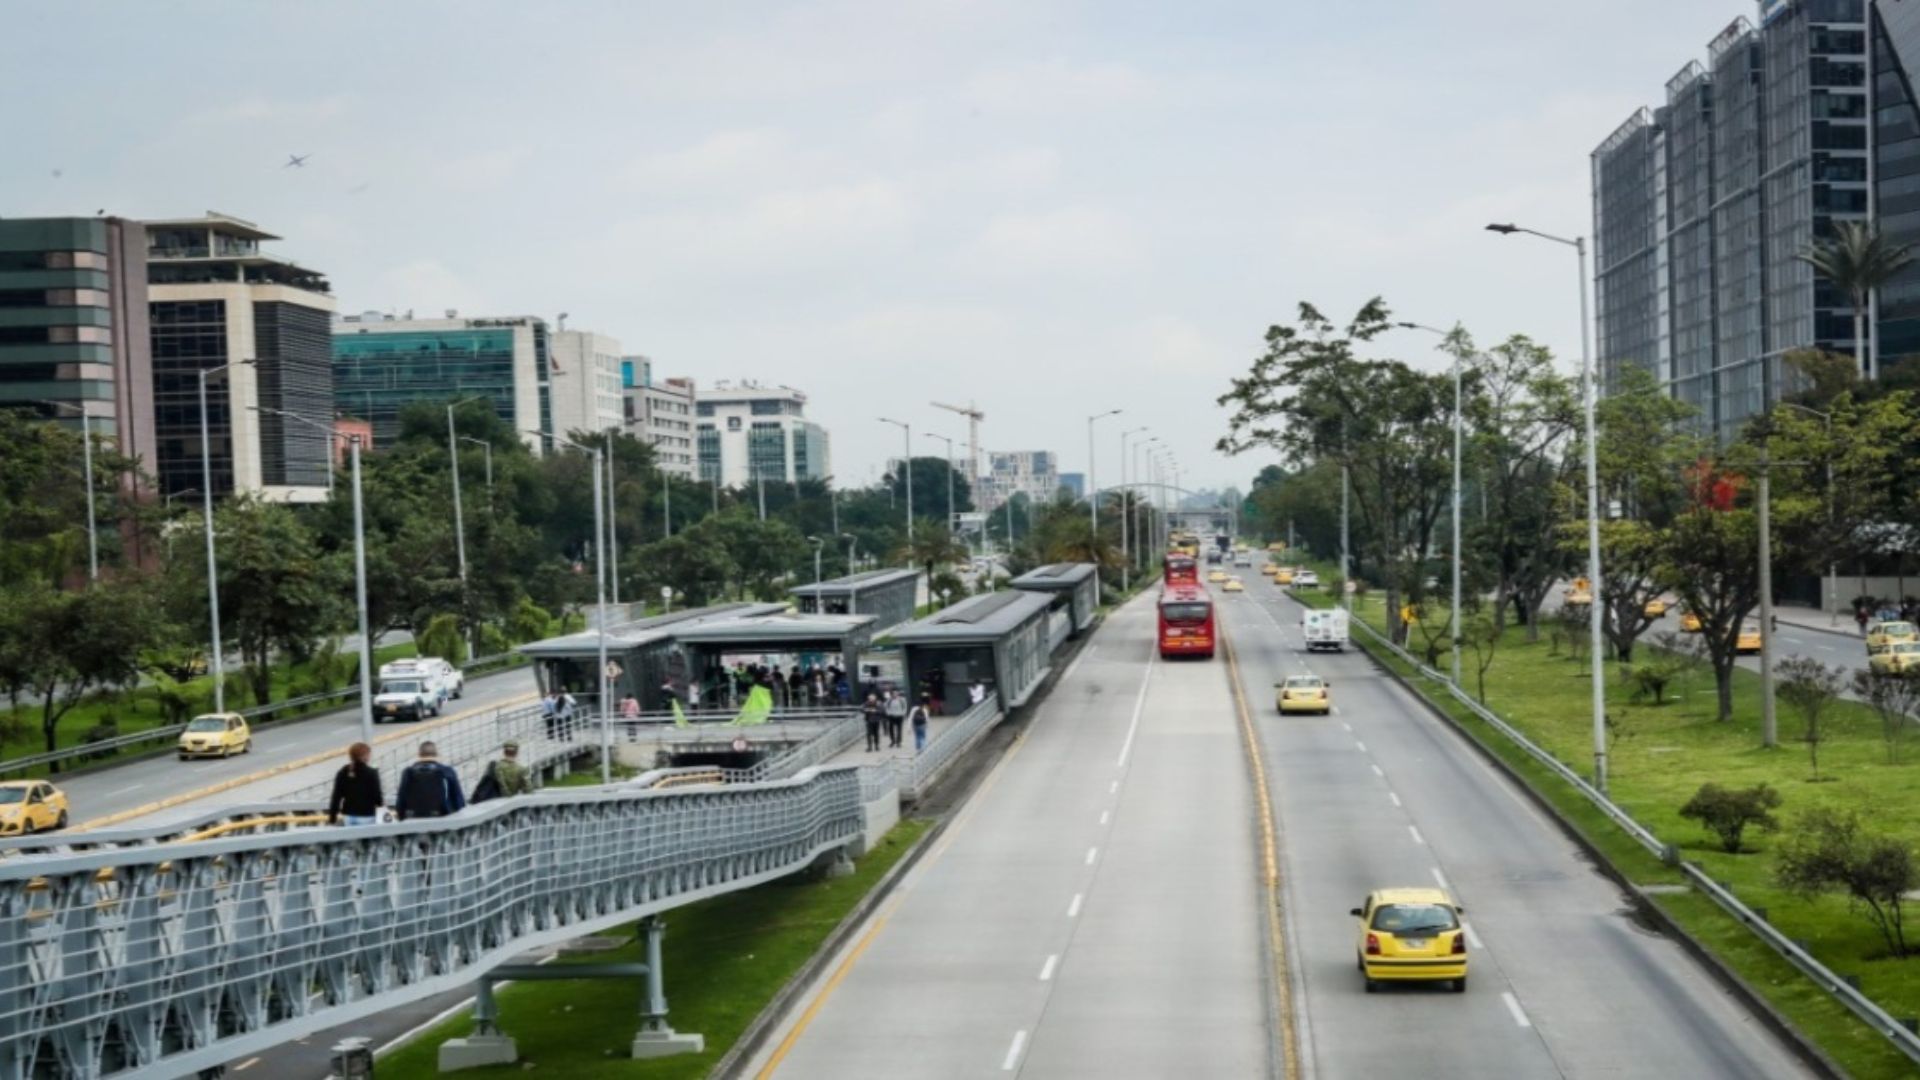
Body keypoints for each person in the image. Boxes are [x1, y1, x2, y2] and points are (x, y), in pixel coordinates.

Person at [394, 742, 466, 820]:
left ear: (419, 755)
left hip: (413, 819)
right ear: (436, 754)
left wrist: (401, 817)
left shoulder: (408, 772)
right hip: (442, 818)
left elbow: (401, 801)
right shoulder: (447, 771)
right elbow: (459, 800)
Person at [327, 742, 383, 826]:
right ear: (364, 756)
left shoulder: (342, 772)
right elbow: (377, 797)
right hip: (367, 816)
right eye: (368, 754)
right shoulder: (372, 773)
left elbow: (336, 797)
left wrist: (332, 819)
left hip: (348, 816)